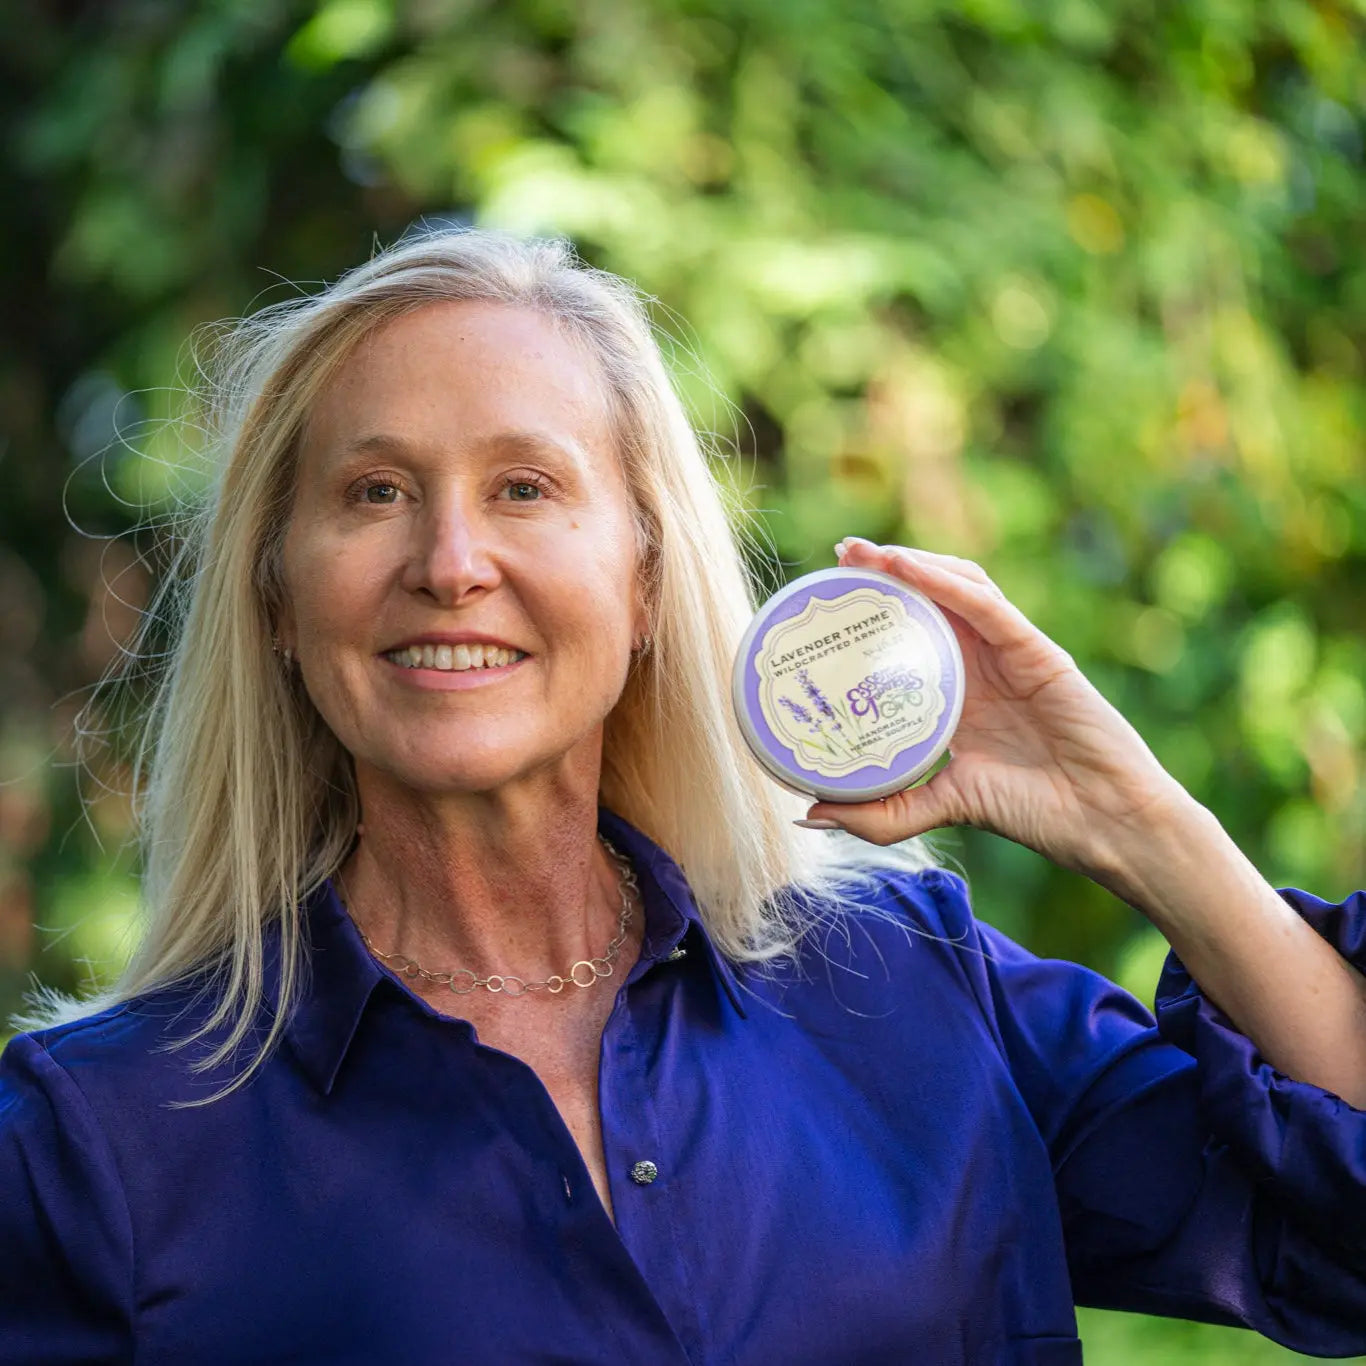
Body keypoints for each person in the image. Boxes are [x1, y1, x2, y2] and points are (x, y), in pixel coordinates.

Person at [1, 229, 1364, 1366]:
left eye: (525, 485)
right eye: (374, 492)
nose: (451, 559)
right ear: (279, 600)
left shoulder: (912, 987)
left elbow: (1338, 1232)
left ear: (646, 577)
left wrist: (1136, 822)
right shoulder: (98, 1144)